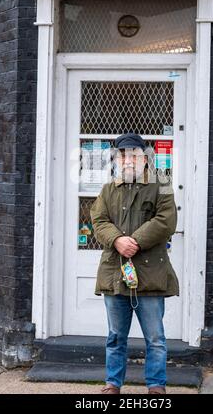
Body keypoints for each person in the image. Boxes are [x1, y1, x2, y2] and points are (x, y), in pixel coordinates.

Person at [90, 132, 179, 395]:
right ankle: (112, 385)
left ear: (144, 158)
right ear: (117, 159)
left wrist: (136, 241)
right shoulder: (108, 190)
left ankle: (156, 386)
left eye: (134, 155)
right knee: (115, 337)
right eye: (123, 155)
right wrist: (117, 240)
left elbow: (166, 221)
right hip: (115, 274)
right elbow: (99, 221)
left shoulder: (161, 184)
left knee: (155, 339)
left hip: (151, 274)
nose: (128, 160)